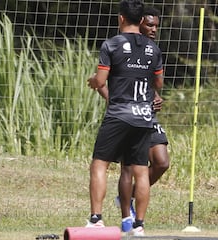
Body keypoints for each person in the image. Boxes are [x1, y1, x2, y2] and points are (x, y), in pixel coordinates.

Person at [86, 0, 164, 237]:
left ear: (121, 18)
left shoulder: (111, 44)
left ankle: (96, 219)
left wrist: (93, 81)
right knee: (141, 170)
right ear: (141, 21)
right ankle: (139, 225)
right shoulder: (154, 49)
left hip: (119, 113)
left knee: (100, 164)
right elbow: (158, 84)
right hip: (144, 116)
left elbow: (100, 81)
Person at [116, 6, 170, 231]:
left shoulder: (152, 49)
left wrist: (156, 97)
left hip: (148, 114)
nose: (154, 29)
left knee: (162, 162)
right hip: (127, 114)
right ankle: (127, 216)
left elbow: (152, 82)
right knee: (128, 167)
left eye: (157, 26)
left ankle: (133, 193)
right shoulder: (121, 45)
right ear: (138, 23)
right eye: (150, 25)